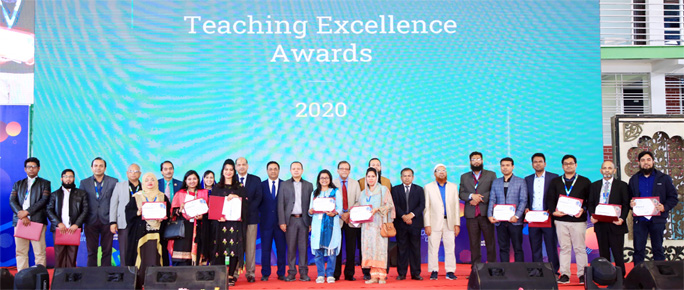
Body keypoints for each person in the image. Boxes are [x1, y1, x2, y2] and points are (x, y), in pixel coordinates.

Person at [628, 151, 678, 266]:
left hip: (657, 220)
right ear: (639, 163)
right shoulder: (634, 179)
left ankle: (661, 278)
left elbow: (673, 198)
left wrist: (664, 207)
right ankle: (638, 277)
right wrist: (630, 203)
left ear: (653, 161)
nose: (646, 163)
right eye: (643, 160)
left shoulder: (664, 178)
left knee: (658, 249)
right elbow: (629, 197)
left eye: (648, 160)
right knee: (638, 250)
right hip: (640, 220)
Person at [547, 155, 591, 284]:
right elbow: (550, 199)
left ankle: (583, 274)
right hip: (561, 221)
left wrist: (584, 209)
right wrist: (554, 212)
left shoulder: (584, 181)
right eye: (566, 164)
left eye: (571, 163)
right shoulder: (556, 181)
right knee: (564, 248)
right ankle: (565, 274)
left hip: (578, 221)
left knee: (580, 248)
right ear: (562, 166)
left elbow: (590, 199)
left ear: (576, 165)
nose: (568, 166)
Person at [206, 159, 248, 287]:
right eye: (226, 170)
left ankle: (231, 275)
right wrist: (217, 217)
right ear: (222, 171)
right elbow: (213, 207)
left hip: (235, 224)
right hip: (220, 224)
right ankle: (221, 274)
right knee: (220, 248)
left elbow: (246, 206)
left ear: (234, 171)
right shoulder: (217, 187)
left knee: (234, 249)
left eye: (231, 170)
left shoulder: (239, 187)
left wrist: (237, 197)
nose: (228, 172)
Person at [125, 172, 170, 288]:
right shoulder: (137, 197)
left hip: (158, 235)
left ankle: (157, 284)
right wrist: (137, 213)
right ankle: (140, 284)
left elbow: (168, 215)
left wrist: (163, 219)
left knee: (156, 258)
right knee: (141, 259)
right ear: (143, 182)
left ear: (156, 182)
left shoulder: (162, 196)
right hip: (141, 235)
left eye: (152, 180)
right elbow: (128, 214)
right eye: (147, 180)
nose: (150, 182)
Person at [588, 161, 629, 277]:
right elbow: (590, 203)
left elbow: (626, 204)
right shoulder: (594, 185)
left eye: (609, 168)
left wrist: (622, 218)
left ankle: (621, 277)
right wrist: (592, 215)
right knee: (603, 254)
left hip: (616, 224)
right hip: (600, 224)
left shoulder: (622, 185)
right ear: (601, 171)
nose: (607, 170)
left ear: (614, 170)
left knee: (618, 253)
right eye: (604, 168)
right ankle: (605, 276)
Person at [10, 157, 51, 271]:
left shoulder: (45, 183)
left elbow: (44, 200)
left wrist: (27, 212)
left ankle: (39, 277)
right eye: (29, 167)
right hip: (20, 222)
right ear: (25, 169)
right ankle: (22, 278)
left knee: (39, 252)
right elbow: (12, 201)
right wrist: (21, 215)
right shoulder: (18, 184)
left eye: (34, 167)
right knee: (21, 251)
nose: (31, 169)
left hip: (37, 221)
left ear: (39, 168)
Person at [524, 153, 560, 275]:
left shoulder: (554, 177)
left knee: (551, 245)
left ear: (545, 163)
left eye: (540, 161)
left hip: (548, 217)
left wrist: (552, 209)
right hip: (533, 217)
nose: (537, 164)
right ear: (532, 164)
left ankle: (554, 271)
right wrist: (527, 208)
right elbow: (526, 197)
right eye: (535, 162)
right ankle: (537, 270)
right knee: (535, 246)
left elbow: (557, 196)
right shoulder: (528, 179)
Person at [278, 161, 313, 282]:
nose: (296, 170)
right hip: (290, 221)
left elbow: (312, 205)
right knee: (291, 248)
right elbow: (280, 204)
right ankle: (291, 272)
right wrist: (282, 221)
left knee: (303, 248)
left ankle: (304, 273)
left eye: (298, 168)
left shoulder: (309, 185)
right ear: (290, 171)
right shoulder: (284, 185)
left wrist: (310, 223)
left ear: (302, 171)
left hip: (303, 220)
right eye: (294, 168)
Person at [459, 151, 497, 264]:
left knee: (490, 242)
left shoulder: (491, 175)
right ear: (470, 162)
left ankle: (492, 268)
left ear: (482, 161)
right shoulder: (464, 177)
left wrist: (480, 198)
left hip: (486, 214)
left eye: (478, 159)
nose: (476, 161)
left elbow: (494, 191)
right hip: (471, 215)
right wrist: (471, 196)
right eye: (473, 159)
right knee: (474, 243)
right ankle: (476, 269)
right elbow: (461, 193)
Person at [359, 167, 395, 284]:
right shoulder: (363, 193)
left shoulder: (383, 190)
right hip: (367, 227)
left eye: (373, 176)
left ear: (377, 177)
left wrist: (378, 209)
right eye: (368, 176)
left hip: (379, 225)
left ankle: (382, 276)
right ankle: (373, 276)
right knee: (370, 250)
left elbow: (390, 205)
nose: (370, 179)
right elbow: (359, 208)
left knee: (380, 249)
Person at [81, 157, 119, 267]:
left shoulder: (113, 182)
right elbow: (82, 203)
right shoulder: (84, 182)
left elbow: (116, 201)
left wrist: (114, 220)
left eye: (101, 166)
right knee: (91, 251)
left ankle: (105, 275)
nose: (98, 168)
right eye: (96, 166)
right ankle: (91, 275)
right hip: (90, 220)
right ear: (92, 168)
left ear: (105, 168)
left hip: (107, 220)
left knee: (107, 251)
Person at [487, 157, 527, 262]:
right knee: (503, 248)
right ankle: (505, 271)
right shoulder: (496, 182)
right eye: (503, 165)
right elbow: (492, 199)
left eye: (507, 165)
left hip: (514, 221)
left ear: (512, 167)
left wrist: (517, 216)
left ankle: (519, 271)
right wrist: (490, 215)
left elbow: (523, 201)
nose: (505, 168)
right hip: (500, 221)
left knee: (518, 248)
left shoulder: (521, 181)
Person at [424, 164, 460, 280]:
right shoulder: (428, 187)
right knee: (433, 247)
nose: (441, 173)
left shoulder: (453, 187)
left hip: (449, 221)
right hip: (434, 222)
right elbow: (426, 207)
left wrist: (457, 223)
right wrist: (427, 224)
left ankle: (450, 271)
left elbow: (456, 206)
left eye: (444, 170)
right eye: (439, 171)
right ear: (434, 174)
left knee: (450, 247)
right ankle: (434, 270)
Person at [47, 169, 88, 268]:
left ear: (74, 178)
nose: (68, 179)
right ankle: (59, 280)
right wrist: (58, 223)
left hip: (73, 229)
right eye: (65, 177)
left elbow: (85, 210)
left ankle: (70, 280)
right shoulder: (54, 194)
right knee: (59, 256)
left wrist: (76, 224)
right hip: (59, 229)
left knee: (72, 256)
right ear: (61, 178)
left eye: (70, 177)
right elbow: (49, 210)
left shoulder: (81, 194)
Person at [308, 170, 343, 284]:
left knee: (331, 251)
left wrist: (335, 213)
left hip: (331, 225)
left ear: (330, 179)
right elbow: (310, 210)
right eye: (322, 178)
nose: (324, 180)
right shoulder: (315, 193)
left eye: (326, 178)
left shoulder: (335, 192)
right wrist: (311, 211)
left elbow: (340, 209)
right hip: (318, 225)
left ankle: (330, 274)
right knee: (318, 251)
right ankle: (320, 274)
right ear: (318, 180)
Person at [390, 168, 425, 280]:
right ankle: (402, 273)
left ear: (413, 177)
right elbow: (394, 205)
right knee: (402, 248)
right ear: (401, 178)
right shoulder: (395, 190)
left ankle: (416, 273)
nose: (407, 178)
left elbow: (422, 205)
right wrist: (404, 216)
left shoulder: (419, 189)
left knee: (415, 248)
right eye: (404, 176)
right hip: (401, 223)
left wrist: (411, 215)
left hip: (415, 223)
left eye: (409, 176)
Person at [171, 170, 209, 266]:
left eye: (194, 179)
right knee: (182, 255)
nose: (192, 181)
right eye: (189, 179)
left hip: (199, 226)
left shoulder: (204, 193)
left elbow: (209, 211)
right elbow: (172, 211)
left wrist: (202, 217)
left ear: (198, 180)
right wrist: (179, 210)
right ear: (185, 181)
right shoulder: (180, 194)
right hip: (184, 227)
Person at [333, 161, 362, 281]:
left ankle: (349, 273)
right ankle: (335, 273)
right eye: (342, 168)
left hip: (351, 219)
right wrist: (341, 214)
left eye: (347, 169)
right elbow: (331, 201)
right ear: (337, 170)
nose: (344, 170)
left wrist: (349, 213)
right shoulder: (332, 183)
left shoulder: (355, 183)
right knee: (336, 248)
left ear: (349, 171)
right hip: (336, 219)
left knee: (351, 248)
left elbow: (358, 200)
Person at [235, 157, 263, 283]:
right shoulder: (231, 179)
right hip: (234, 220)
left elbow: (258, 198)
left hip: (251, 218)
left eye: (243, 164)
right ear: (236, 167)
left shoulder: (256, 180)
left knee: (250, 247)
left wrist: (245, 209)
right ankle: (233, 273)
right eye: (239, 165)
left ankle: (250, 273)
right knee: (235, 247)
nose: (241, 167)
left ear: (247, 166)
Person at [259, 161, 287, 281]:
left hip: (281, 223)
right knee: (265, 249)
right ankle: (265, 273)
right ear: (267, 171)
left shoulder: (285, 185)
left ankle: (281, 273)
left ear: (279, 170)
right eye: (271, 169)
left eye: (275, 169)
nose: (273, 171)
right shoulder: (261, 185)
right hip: (266, 223)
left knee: (281, 249)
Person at [109, 163, 141, 266]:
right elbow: (113, 204)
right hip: (124, 222)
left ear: (140, 174)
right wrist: (113, 222)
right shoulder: (119, 186)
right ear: (127, 174)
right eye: (131, 171)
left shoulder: (144, 186)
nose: (133, 174)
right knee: (124, 251)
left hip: (141, 223)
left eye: (136, 171)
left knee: (140, 251)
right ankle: (125, 274)